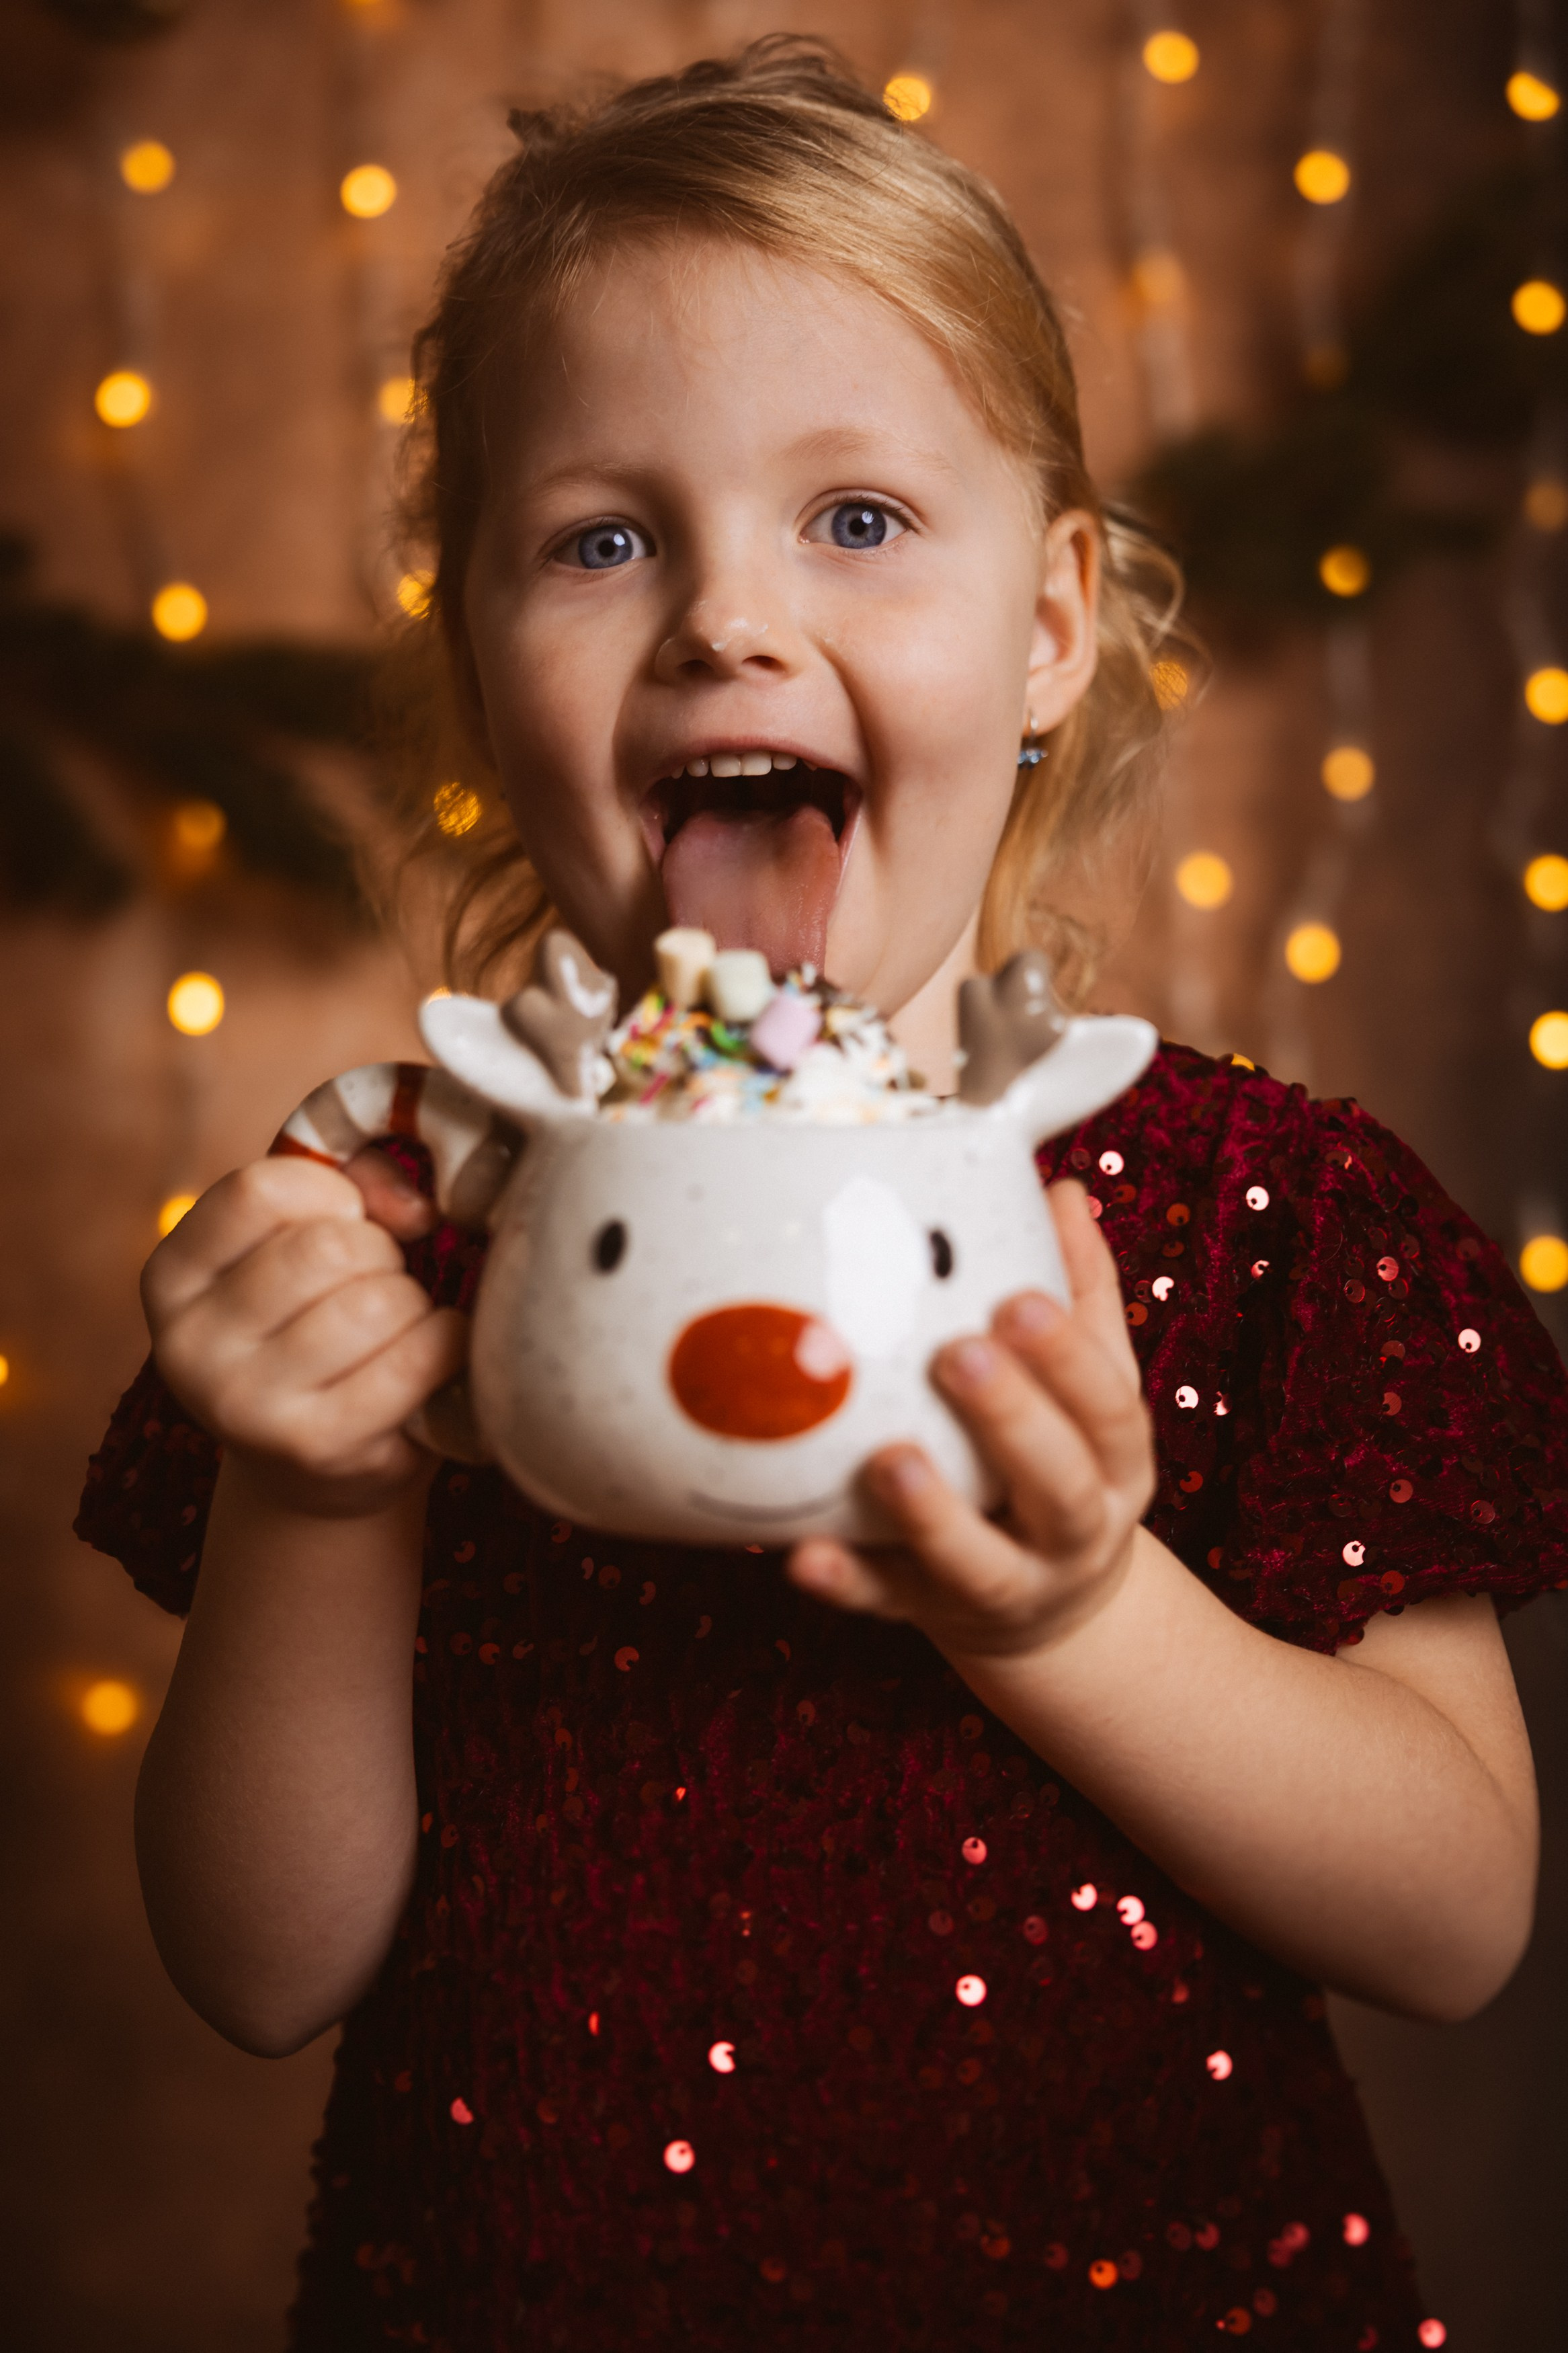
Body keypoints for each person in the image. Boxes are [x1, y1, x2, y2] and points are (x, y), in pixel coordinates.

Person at [77, 38, 1567, 2352]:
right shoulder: (384, 1221)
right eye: (600, 537)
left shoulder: (1271, 1205)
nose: (722, 620)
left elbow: (1460, 1914)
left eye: (856, 520)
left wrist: (1071, 1610)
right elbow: (264, 1970)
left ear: (1053, 621)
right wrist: (315, 1485)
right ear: (475, 664)